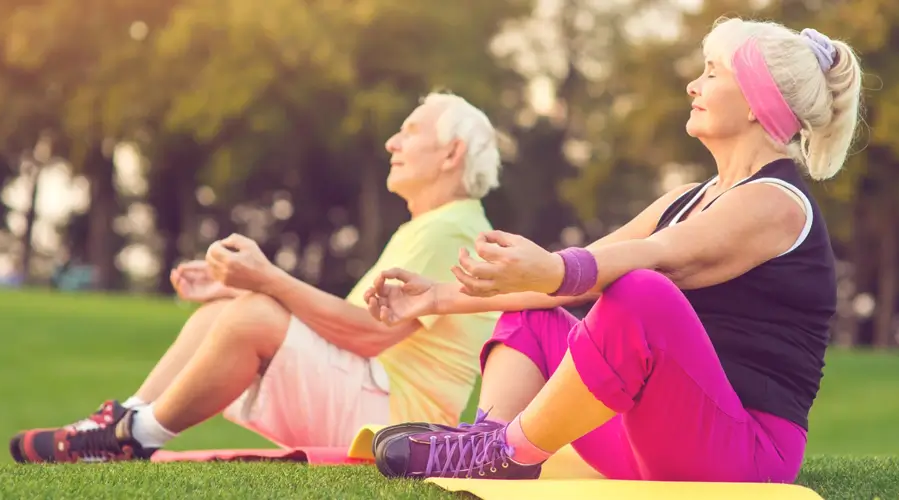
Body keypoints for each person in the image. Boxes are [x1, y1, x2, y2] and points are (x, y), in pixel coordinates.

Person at [364, 18, 862, 483]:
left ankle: (505, 451)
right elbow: (575, 276)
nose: (693, 86)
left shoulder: (777, 203)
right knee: (534, 311)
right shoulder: (687, 197)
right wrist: (436, 298)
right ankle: (487, 447)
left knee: (640, 291)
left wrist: (550, 268)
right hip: (650, 433)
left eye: (712, 73)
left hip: (744, 454)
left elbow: (663, 256)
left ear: (758, 101)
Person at [9, 92, 505, 463]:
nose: (392, 142)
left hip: (399, 426)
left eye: (412, 131)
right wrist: (239, 284)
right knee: (235, 309)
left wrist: (264, 280)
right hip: (377, 401)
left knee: (251, 314)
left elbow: (367, 333)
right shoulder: (438, 225)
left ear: (450, 154)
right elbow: (343, 324)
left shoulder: (451, 230)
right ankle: (124, 420)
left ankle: (137, 435)